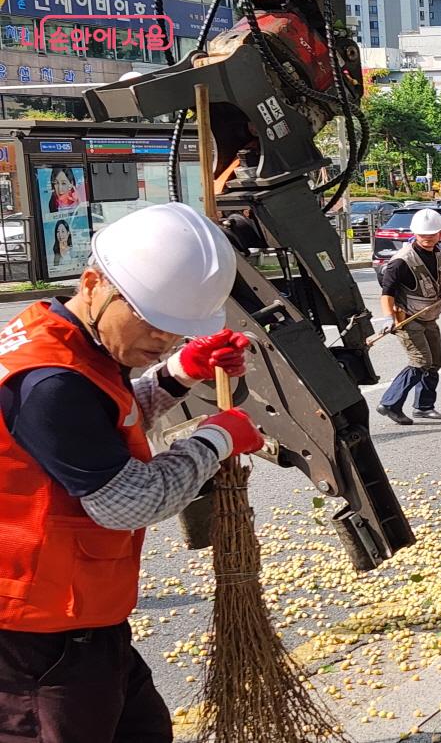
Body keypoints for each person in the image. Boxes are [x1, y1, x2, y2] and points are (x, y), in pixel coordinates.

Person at [0, 202, 264, 741]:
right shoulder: (49, 383)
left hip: (86, 618)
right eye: (154, 323)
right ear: (94, 283)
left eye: (177, 332)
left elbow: (107, 422)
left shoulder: (70, 340)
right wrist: (217, 438)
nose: (163, 341)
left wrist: (179, 373)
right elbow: (129, 501)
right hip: (37, 635)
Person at [376, 208, 441, 425]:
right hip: (408, 318)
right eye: (423, 235)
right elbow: (387, 293)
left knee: (434, 364)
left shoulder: (439, 252)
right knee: (420, 362)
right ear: (414, 233)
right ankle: (390, 403)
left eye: (432, 234)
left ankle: (424, 407)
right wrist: (387, 318)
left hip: (429, 317)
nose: (428, 239)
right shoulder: (401, 261)